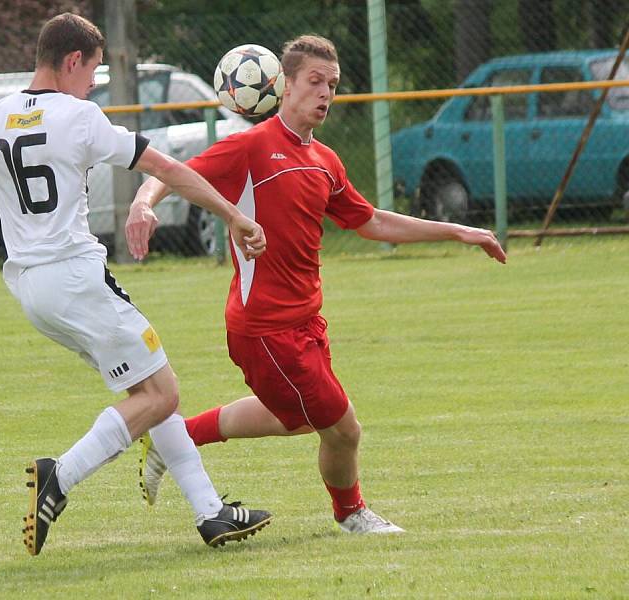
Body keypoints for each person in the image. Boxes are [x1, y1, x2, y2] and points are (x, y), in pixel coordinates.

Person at [0, 13, 274, 556]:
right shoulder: (79, 117)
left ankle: (211, 513)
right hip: (78, 279)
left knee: (146, 390)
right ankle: (60, 475)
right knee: (162, 392)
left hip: (33, 291)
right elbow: (168, 169)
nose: (92, 85)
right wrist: (232, 215)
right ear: (73, 61)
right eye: (93, 71)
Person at [127, 34, 507, 535]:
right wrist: (144, 202)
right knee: (344, 429)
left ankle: (173, 437)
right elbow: (172, 172)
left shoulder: (325, 160)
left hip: (306, 323)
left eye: (332, 84)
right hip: (265, 329)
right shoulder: (252, 145)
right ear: (284, 86)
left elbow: (370, 221)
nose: (326, 93)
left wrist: (458, 230)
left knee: (296, 418)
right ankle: (352, 513)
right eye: (314, 82)